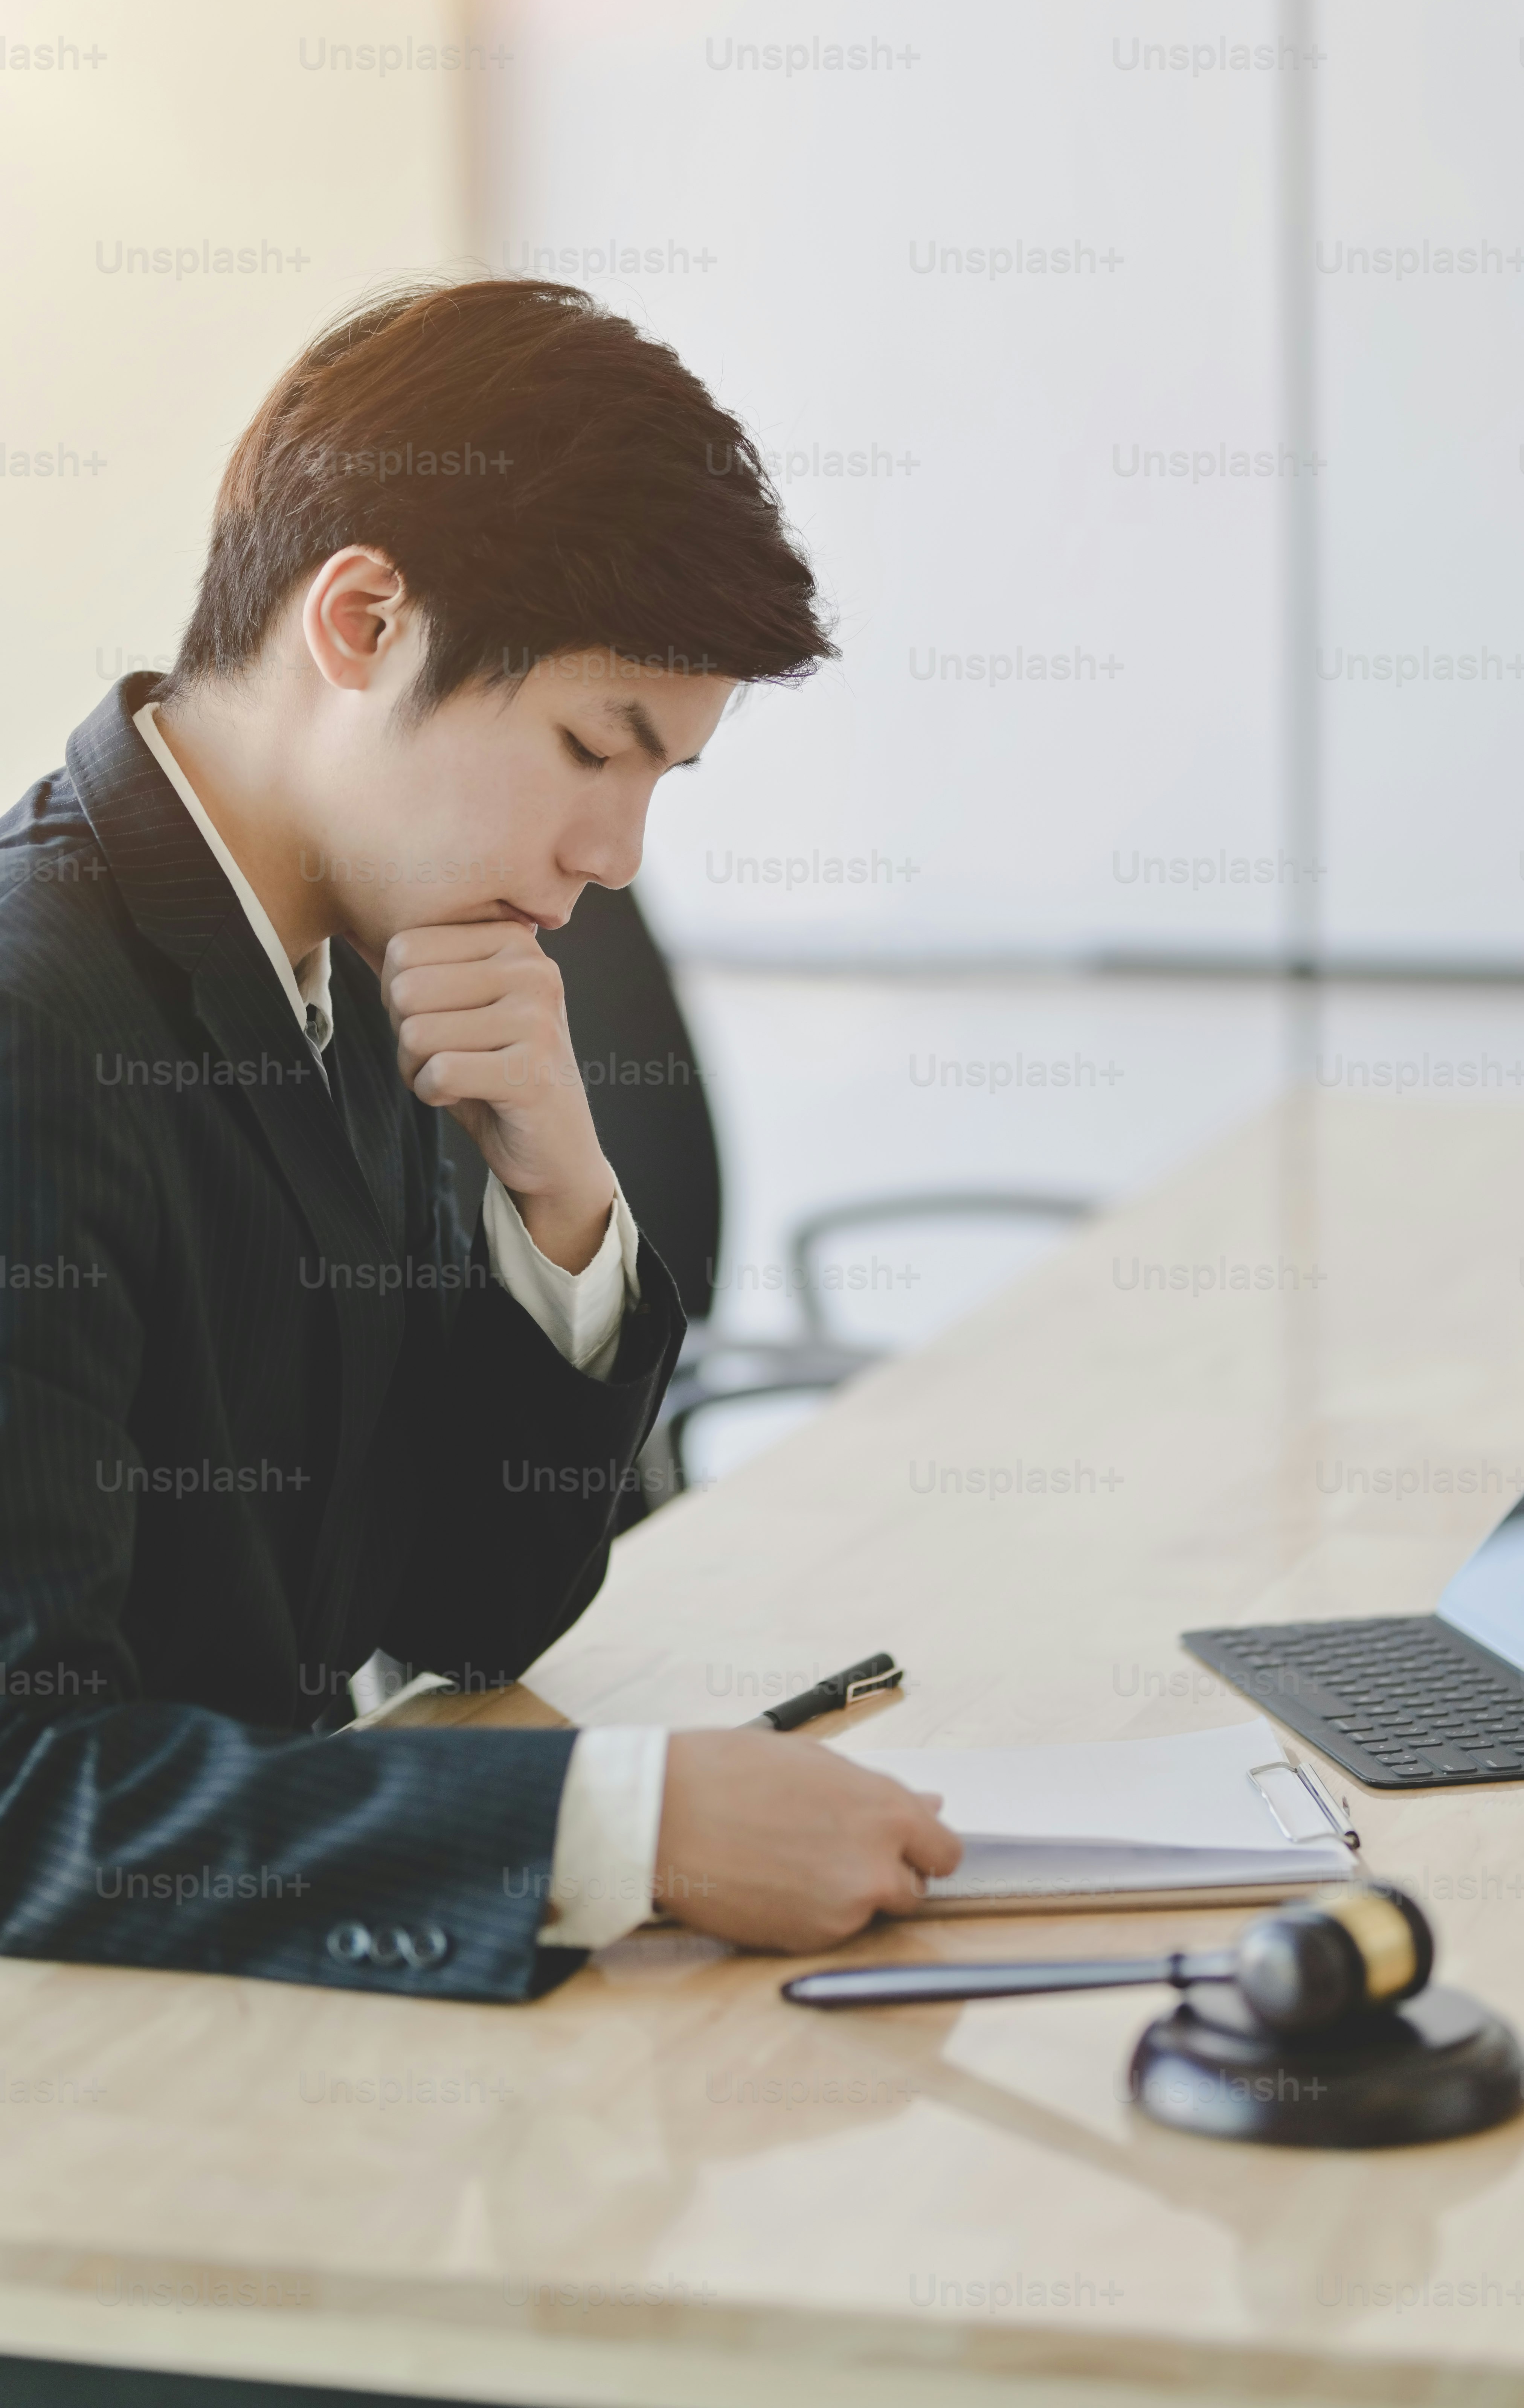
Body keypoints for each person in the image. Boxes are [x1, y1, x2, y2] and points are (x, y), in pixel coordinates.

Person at [0, 276, 960, 2003]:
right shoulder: (30, 1025)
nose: (618, 852)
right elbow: (22, 1794)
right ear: (361, 621)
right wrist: (623, 1828)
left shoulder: (367, 959)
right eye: (600, 747)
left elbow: (453, 1617)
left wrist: (562, 1198)